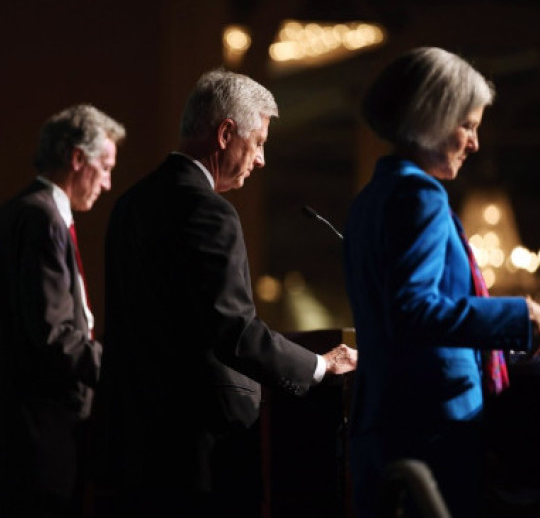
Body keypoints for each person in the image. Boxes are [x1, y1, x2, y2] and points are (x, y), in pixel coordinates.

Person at [90, 69, 358, 518]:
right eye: (258, 143)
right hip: (198, 450)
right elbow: (233, 332)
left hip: (130, 441)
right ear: (225, 133)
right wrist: (318, 366)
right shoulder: (208, 211)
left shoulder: (130, 204)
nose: (262, 160)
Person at [342, 46, 540, 518]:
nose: (475, 143)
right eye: (469, 125)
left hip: (381, 422)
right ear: (432, 118)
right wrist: (517, 313)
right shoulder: (420, 196)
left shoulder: (369, 200)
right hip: (431, 427)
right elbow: (412, 309)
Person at [0, 104, 125, 518]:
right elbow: (54, 337)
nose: (107, 183)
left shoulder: (16, 211)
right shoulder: (42, 219)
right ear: (76, 159)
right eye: (104, 167)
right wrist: (126, 369)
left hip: (15, 436)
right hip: (36, 441)